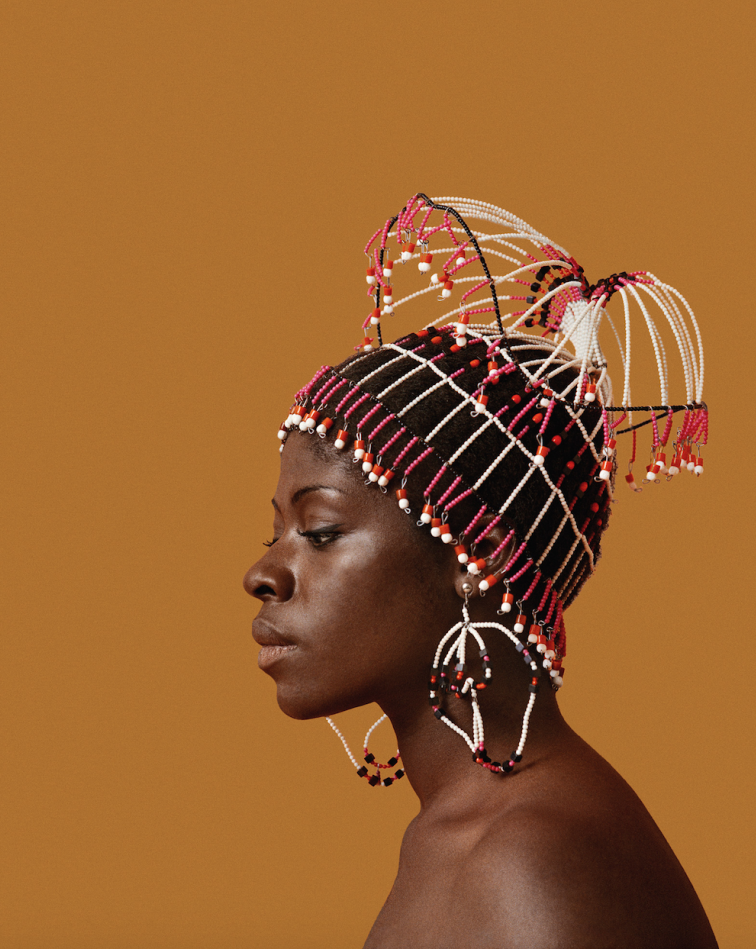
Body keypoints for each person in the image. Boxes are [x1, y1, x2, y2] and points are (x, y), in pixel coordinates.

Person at [244, 195, 717, 948]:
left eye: (321, 530)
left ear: (482, 556)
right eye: (276, 531)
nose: (265, 572)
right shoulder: (464, 832)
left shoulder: (526, 859)